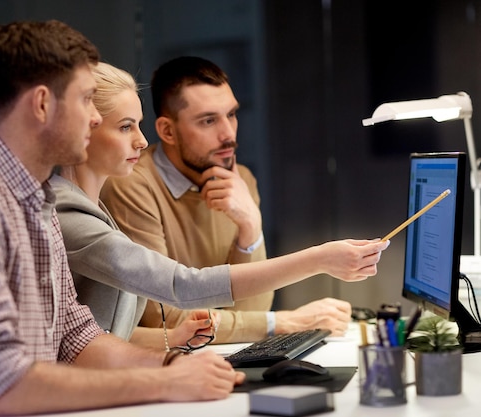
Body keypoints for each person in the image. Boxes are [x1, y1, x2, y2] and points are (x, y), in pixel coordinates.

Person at [0, 22, 245, 417]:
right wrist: (166, 383)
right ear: (42, 104)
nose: (95, 118)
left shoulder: (33, 200)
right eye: (87, 99)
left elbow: (76, 336)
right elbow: (2, 387)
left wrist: (170, 364)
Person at [54, 62, 389, 348]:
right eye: (126, 126)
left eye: (231, 115)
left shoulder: (94, 209)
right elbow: (179, 288)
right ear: (82, 129)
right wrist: (319, 260)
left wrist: (250, 228)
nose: (141, 141)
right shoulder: (74, 210)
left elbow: (99, 334)